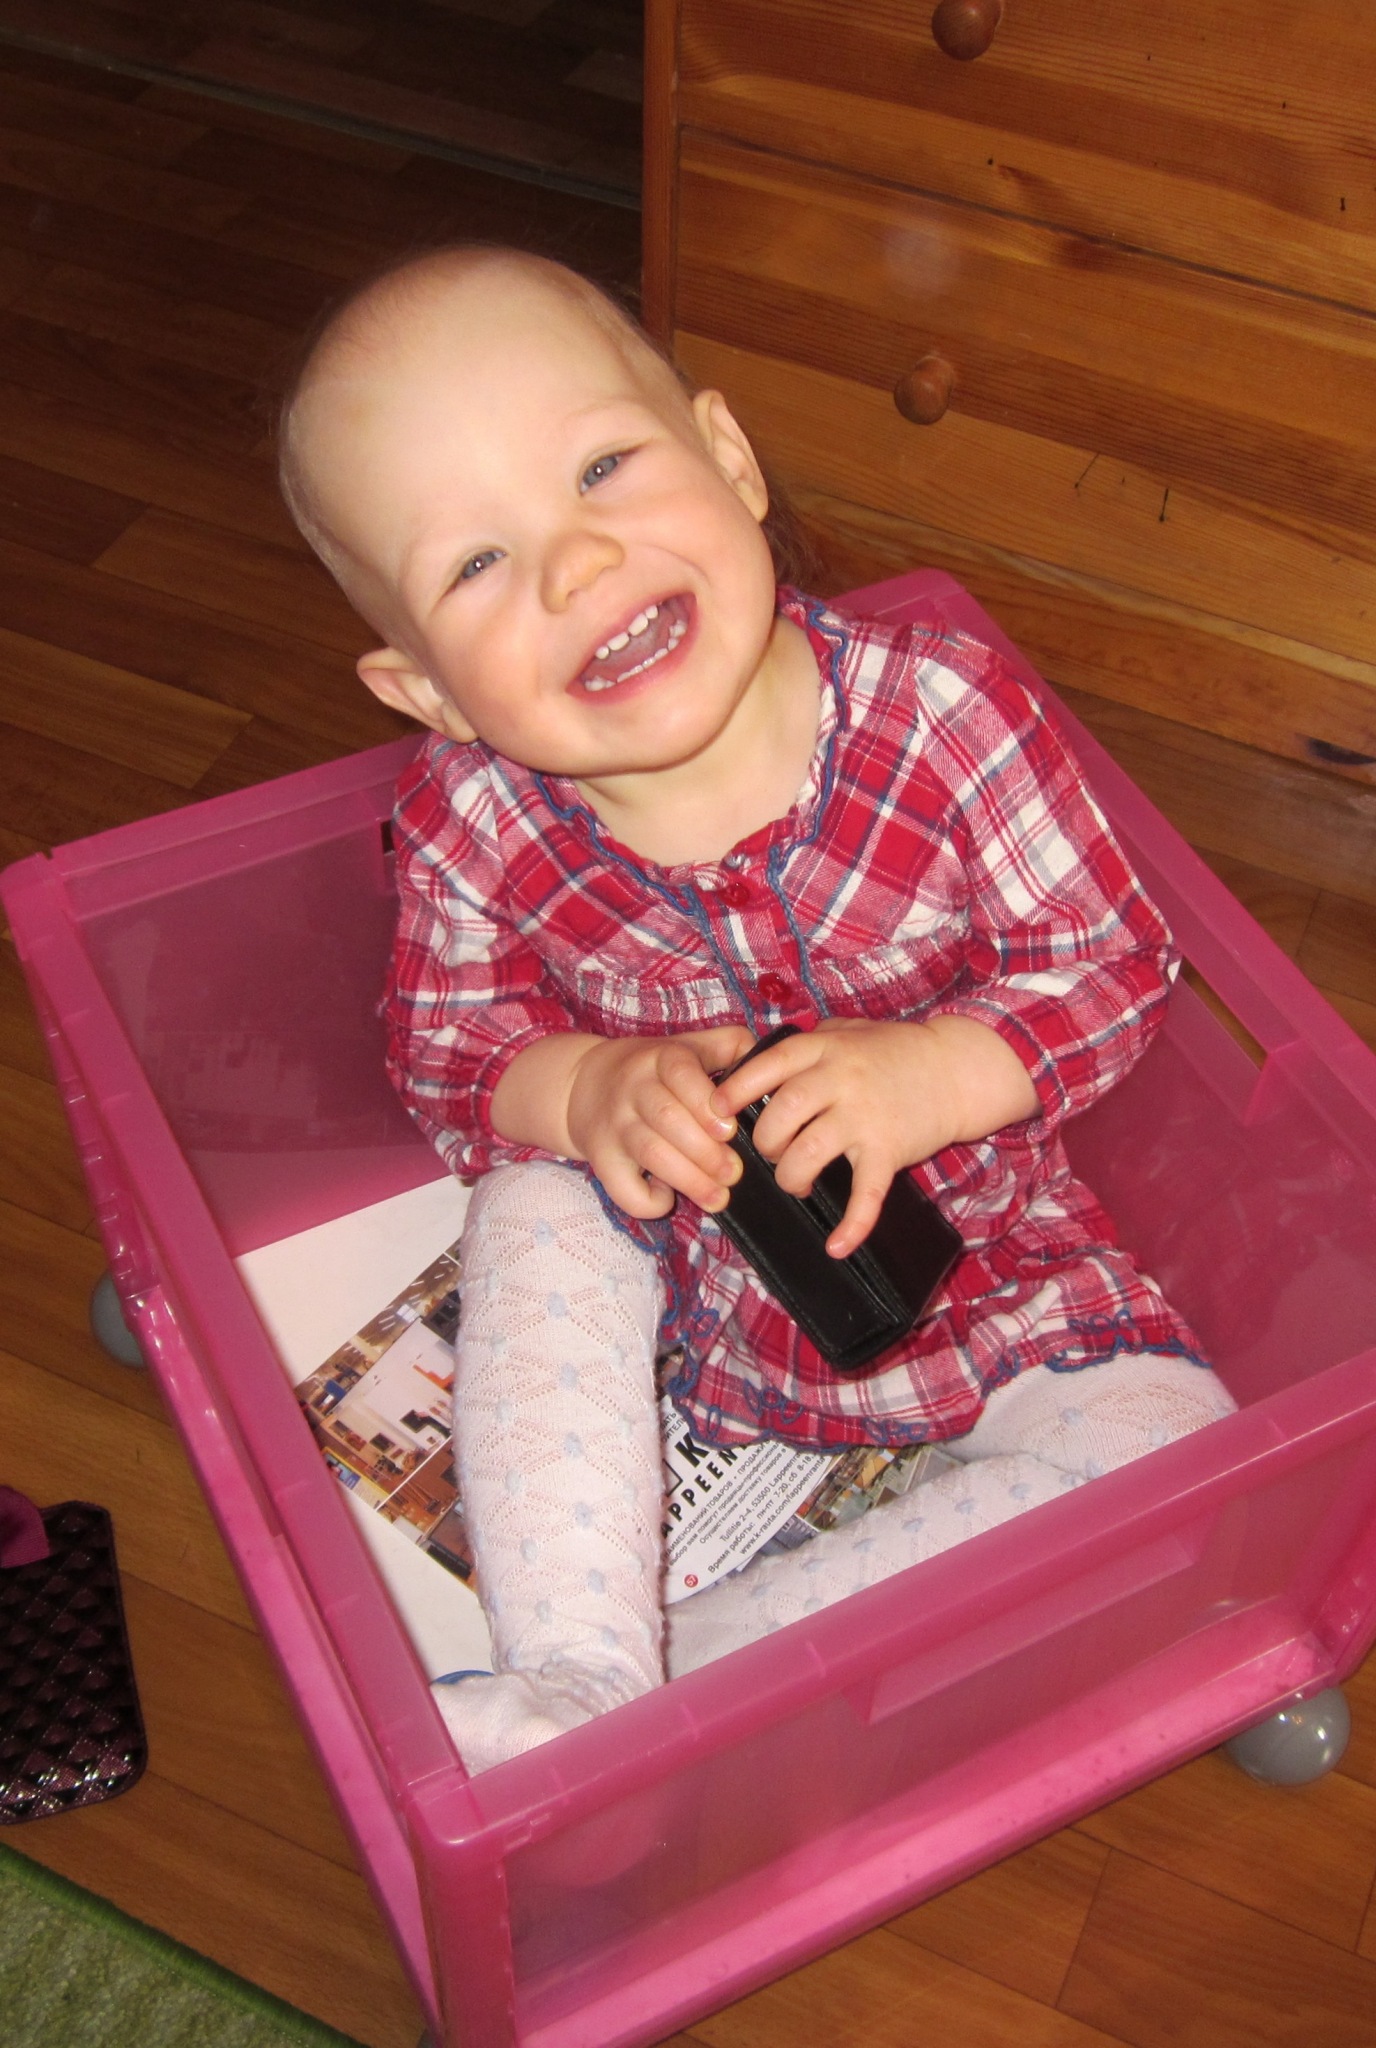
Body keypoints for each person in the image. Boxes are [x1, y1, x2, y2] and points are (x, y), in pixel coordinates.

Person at [278, 245, 1235, 1773]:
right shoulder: (469, 817)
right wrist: (586, 1091)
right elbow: (444, 1053)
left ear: (729, 457)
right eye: (477, 565)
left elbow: (1115, 958)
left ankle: (681, 1683)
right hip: (681, 1273)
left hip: (991, 1267)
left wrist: (938, 1072)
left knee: (1182, 1456)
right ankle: (581, 1666)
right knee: (532, 1200)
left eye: (603, 467)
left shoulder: (946, 712)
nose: (576, 565)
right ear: (429, 694)